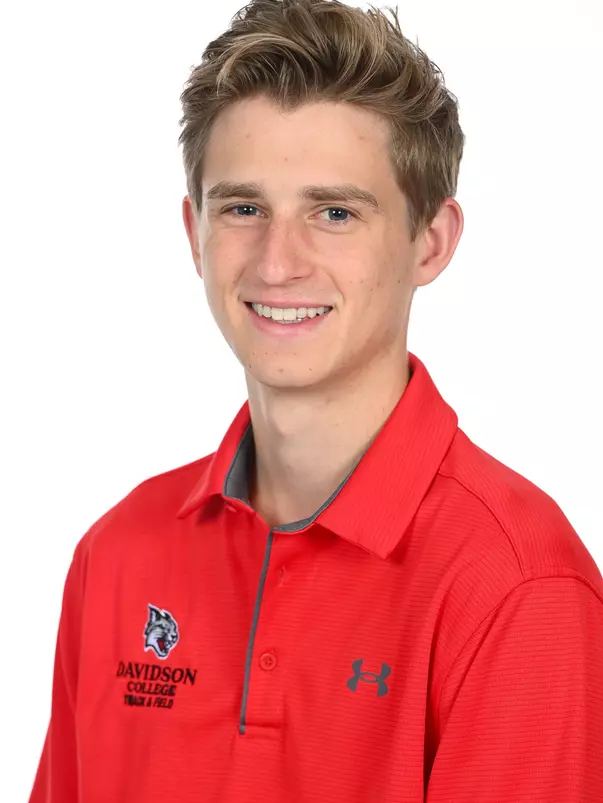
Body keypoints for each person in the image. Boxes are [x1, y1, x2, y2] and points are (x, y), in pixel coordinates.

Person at [29, 0, 603, 801]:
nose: (277, 263)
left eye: (334, 212)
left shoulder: (514, 587)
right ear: (195, 233)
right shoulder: (116, 554)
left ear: (430, 241)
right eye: (244, 208)